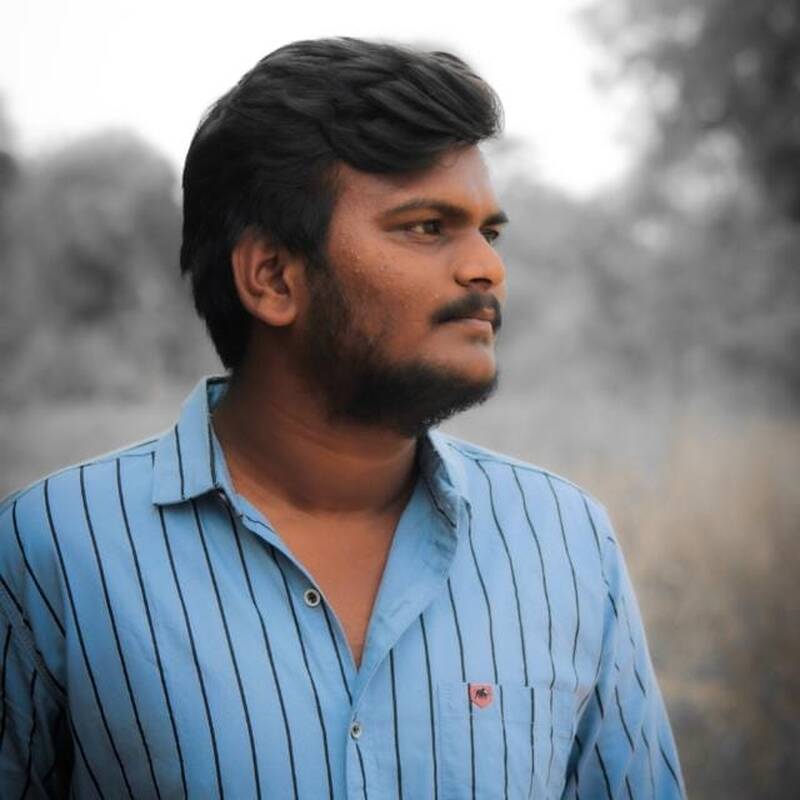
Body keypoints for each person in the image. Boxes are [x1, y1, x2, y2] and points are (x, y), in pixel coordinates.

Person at [0, 36, 685, 799]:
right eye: (427, 227)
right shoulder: (53, 552)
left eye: (487, 233)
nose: (486, 267)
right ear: (272, 277)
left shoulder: (566, 541)